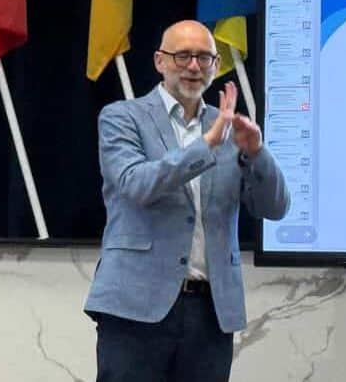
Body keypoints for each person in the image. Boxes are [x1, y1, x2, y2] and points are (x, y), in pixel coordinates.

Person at [84, 20, 290, 381]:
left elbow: (275, 208)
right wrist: (206, 144)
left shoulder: (231, 127)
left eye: (204, 57)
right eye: (183, 56)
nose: (194, 66)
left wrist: (257, 152)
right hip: (135, 308)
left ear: (215, 66)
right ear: (159, 61)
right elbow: (137, 184)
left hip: (209, 314)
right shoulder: (122, 117)